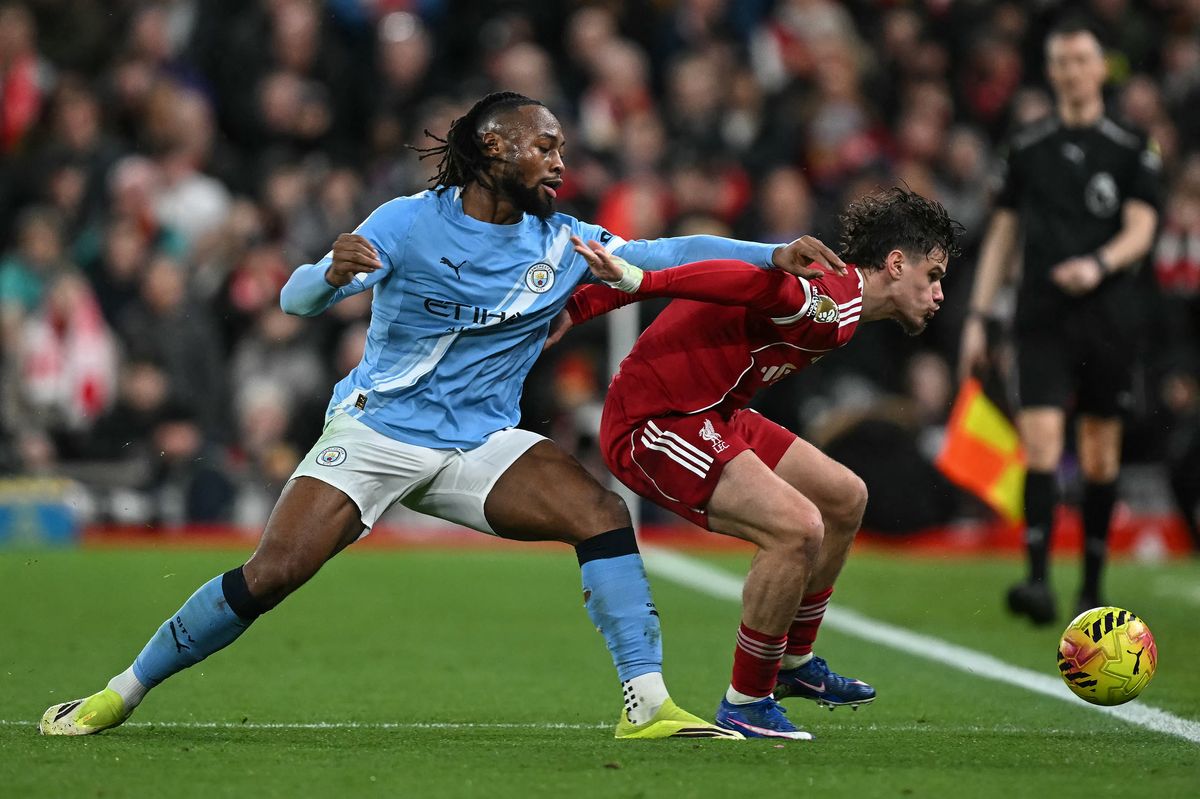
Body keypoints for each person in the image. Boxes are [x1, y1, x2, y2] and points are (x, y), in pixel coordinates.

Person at [38, 92, 846, 740]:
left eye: (562, 148)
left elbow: (666, 253)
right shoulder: (406, 222)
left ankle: (648, 705)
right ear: (496, 149)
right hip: (376, 430)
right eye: (547, 146)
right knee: (272, 573)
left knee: (599, 513)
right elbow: (293, 300)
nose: (561, 162)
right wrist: (326, 272)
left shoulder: (562, 243)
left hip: (479, 443)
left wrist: (769, 254)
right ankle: (121, 692)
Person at [563, 187, 963, 739]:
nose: (939, 293)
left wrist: (593, 302)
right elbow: (737, 278)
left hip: (717, 410)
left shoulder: (842, 301)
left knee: (845, 497)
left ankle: (795, 663)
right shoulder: (828, 303)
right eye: (934, 275)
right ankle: (747, 698)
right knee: (796, 528)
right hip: (657, 420)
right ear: (896, 264)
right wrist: (637, 284)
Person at [957, 20, 1161, 625]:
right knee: (1040, 441)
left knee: (1100, 455)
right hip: (1041, 314)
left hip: (1107, 316)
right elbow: (1001, 234)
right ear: (1052, 73)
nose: (1072, 70)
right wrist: (978, 315)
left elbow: (1143, 227)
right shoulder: (1026, 146)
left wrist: (1098, 265)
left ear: (1101, 69)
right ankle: (1039, 580)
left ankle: (1091, 584)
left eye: (1081, 59)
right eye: (1061, 61)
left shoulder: (1131, 146)